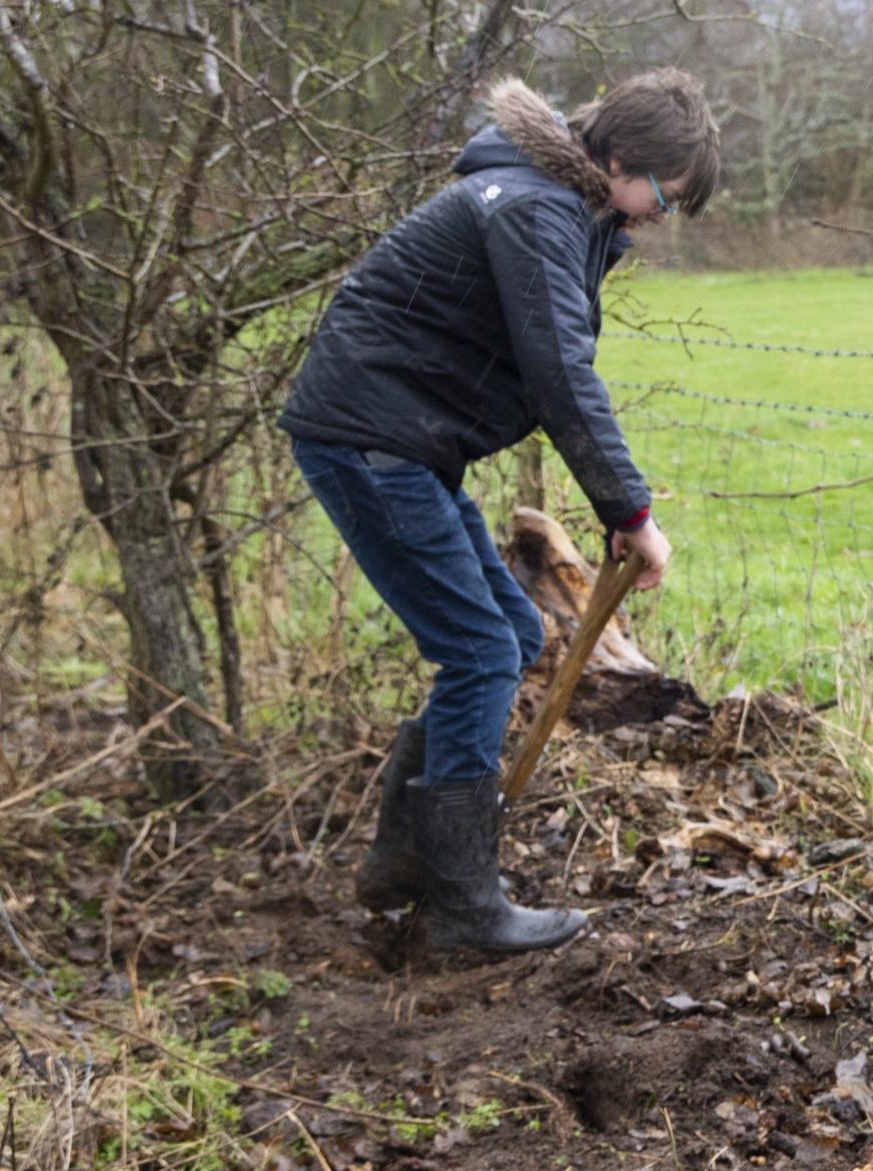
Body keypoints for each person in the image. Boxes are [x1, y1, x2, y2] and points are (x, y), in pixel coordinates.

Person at [277, 72, 721, 954]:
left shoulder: (550, 201)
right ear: (620, 159)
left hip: (392, 440)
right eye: (663, 197)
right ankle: (464, 909)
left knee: (509, 635)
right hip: (372, 440)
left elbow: (542, 362)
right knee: (480, 649)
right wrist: (631, 513)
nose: (658, 218)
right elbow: (560, 373)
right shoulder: (535, 209)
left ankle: (406, 863)